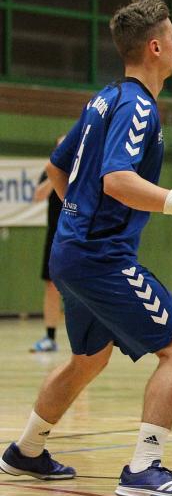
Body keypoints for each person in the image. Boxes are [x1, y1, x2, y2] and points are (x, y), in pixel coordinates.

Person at [0, 0, 172, 496]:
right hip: (99, 257)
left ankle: (27, 450)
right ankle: (145, 471)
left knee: (89, 358)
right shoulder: (137, 107)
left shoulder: (103, 99)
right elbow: (117, 180)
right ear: (153, 46)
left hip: (73, 251)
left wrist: (79, 218)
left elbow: (58, 168)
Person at [30, 139, 65, 352]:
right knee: (51, 286)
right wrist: (55, 173)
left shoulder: (82, 171)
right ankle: (50, 337)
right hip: (55, 237)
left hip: (79, 237)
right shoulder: (51, 171)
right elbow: (38, 196)